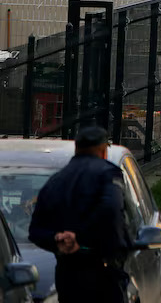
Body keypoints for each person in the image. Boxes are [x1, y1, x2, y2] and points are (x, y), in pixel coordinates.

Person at [29, 126, 132, 303]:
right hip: (103, 273)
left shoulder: (56, 180)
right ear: (103, 150)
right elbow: (110, 210)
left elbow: (36, 231)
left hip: (67, 275)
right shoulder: (108, 173)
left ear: (76, 149)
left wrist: (58, 239)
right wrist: (80, 238)